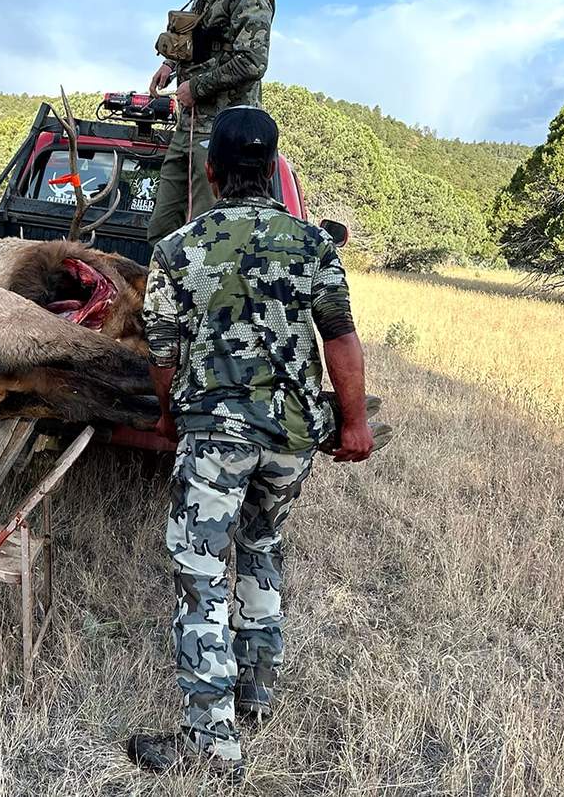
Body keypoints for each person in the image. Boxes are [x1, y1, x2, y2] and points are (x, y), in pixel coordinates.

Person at [130, 106, 378, 776]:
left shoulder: (179, 249)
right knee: (263, 547)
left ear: (210, 173)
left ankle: (211, 745)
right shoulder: (313, 245)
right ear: (270, 171)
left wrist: (167, 416)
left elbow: (162, 352)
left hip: (215, 436)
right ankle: (257, 694)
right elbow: (342, 341)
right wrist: (352, 424)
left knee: (202, 576)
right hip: (293, 436)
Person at [146, 0, 275, 244]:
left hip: (223, 130)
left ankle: (202, 297)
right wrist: (170, 65)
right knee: (162, 228)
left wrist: (197, 87)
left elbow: (252, 61)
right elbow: (198, 38)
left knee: (207, 233)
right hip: (188, 125)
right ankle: (158, 293)